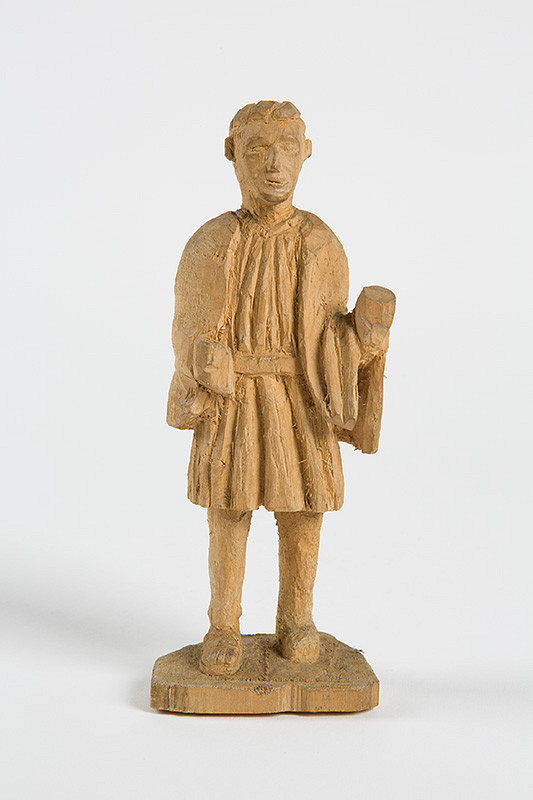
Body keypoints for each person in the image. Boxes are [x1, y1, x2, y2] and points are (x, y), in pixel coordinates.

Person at [167, 100, 395, 676]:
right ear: (232, 155)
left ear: (306, 153)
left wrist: (365, 337)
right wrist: (201, 362)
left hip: (301, 397)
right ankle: (224, 624)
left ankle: (297, 618)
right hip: (233, 395)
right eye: (258, 150)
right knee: (229, 508)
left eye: (287, 149)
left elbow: (331, 335)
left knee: (304, 511)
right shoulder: (212, 242)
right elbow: (187, 323)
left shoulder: (320, 243)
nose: (274, 164)